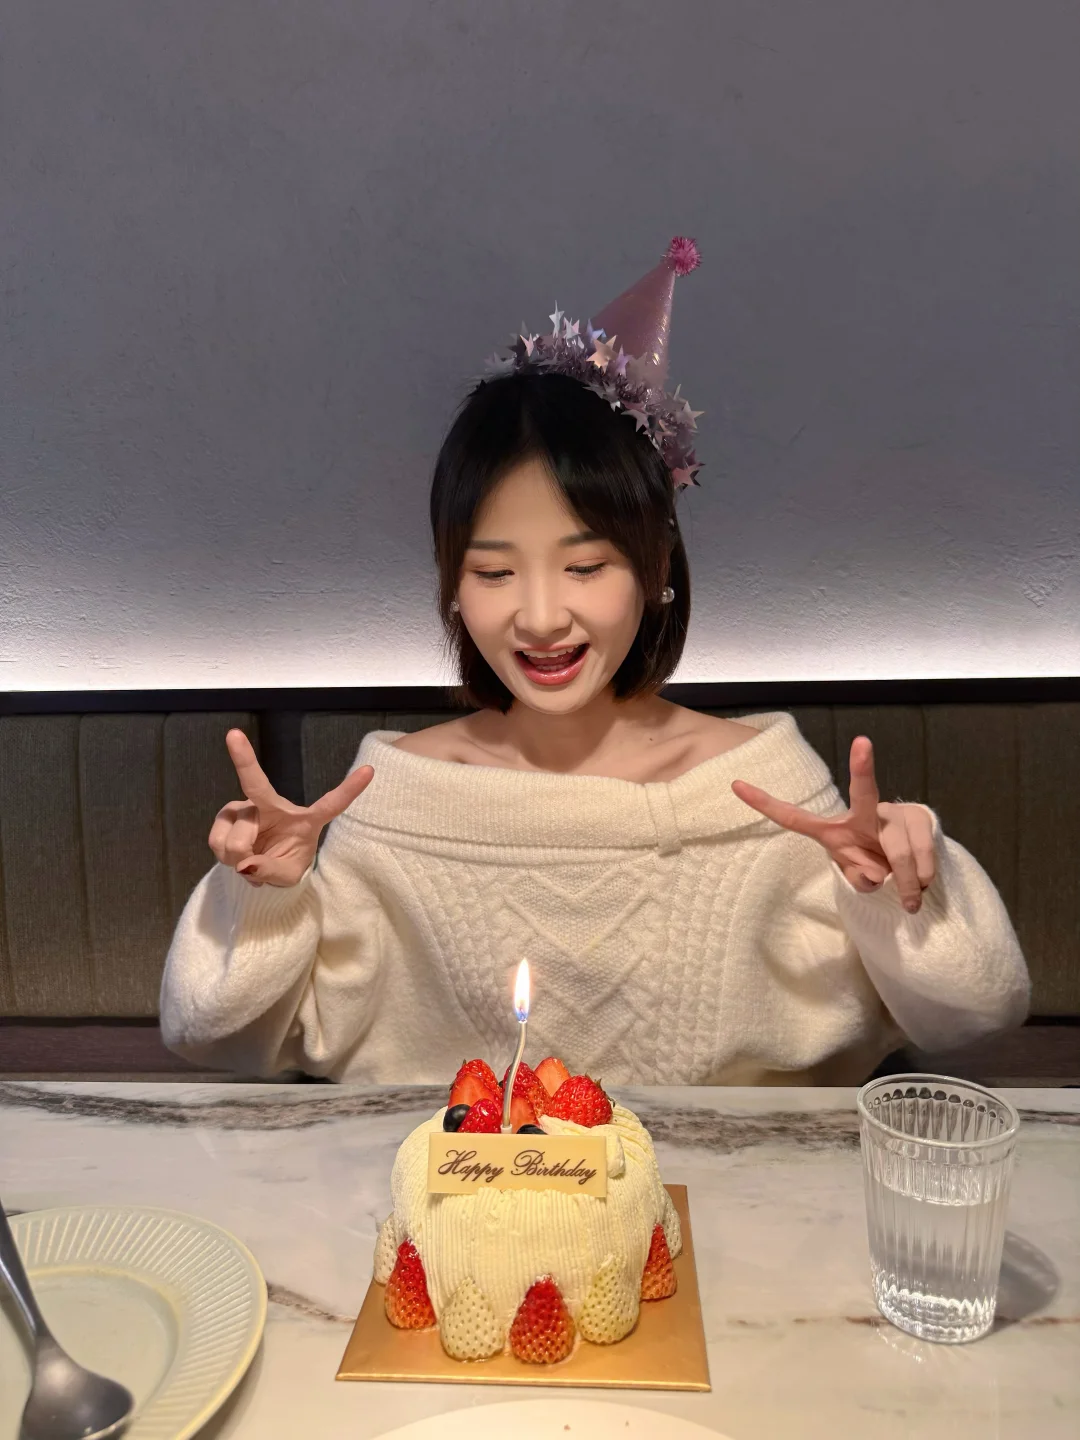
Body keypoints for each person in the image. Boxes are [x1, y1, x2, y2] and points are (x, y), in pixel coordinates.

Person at [160, 240, 1029, 1085]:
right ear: (453, 586)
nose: (541, 617)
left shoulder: (761, 788)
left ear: (653, 571)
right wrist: (264, 896)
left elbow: (979, 1015)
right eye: (494, 573)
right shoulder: (396, 796)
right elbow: (210, 1035)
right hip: (459, 1185)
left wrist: (898, 889)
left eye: (585, 567)